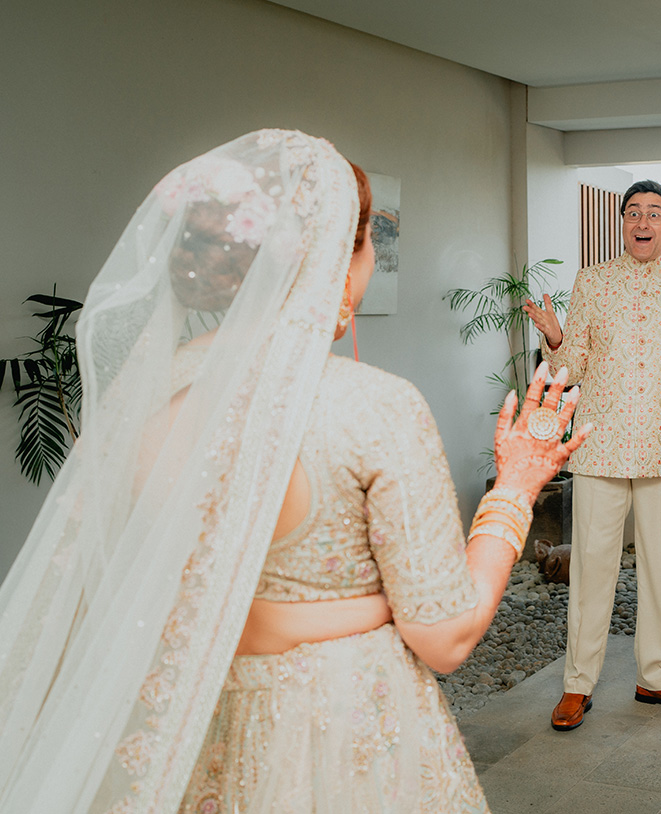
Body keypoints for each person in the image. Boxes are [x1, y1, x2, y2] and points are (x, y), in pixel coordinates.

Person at [0, 130, 588, 813]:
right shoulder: (373, 407)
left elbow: (146, 595)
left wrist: (331, 614)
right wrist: (515, 487)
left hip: (188, 728)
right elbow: (446, 636)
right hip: (338, 732)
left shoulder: (148, 401)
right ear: (345, 254)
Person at [523, 180, 661, 730]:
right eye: (633, 212)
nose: (642, 221)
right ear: (622, 222)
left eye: (654, 213)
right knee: (590, 570)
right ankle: (577, 685)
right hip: (601, 446)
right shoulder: (593, 281)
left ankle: (657, 676)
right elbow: (569, 370)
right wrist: (555, 339)